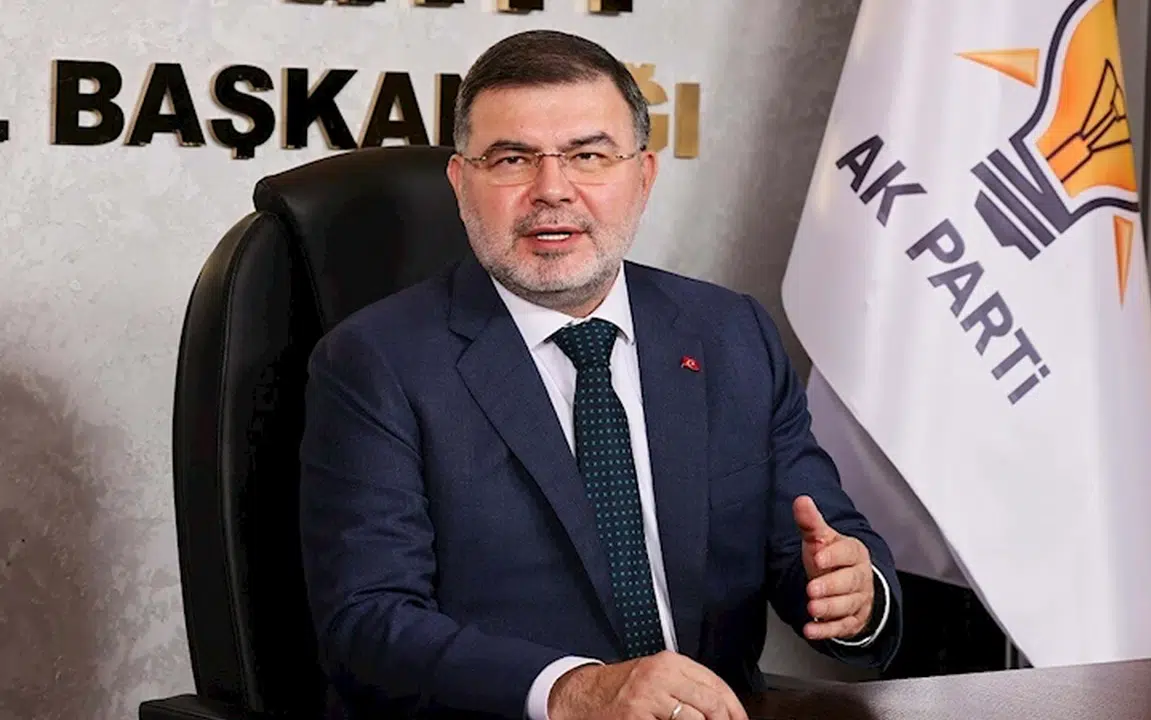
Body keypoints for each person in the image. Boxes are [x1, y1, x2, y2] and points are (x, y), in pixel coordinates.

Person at [298, 29, 903, 720]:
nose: (552, 191)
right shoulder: (375, 363)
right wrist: (572, 690)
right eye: (513, 159)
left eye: (588, 155)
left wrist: (855, 592)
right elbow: (367, 623)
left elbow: (824, 542)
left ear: (643, 176)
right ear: (462, 184)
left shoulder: (731, 334)